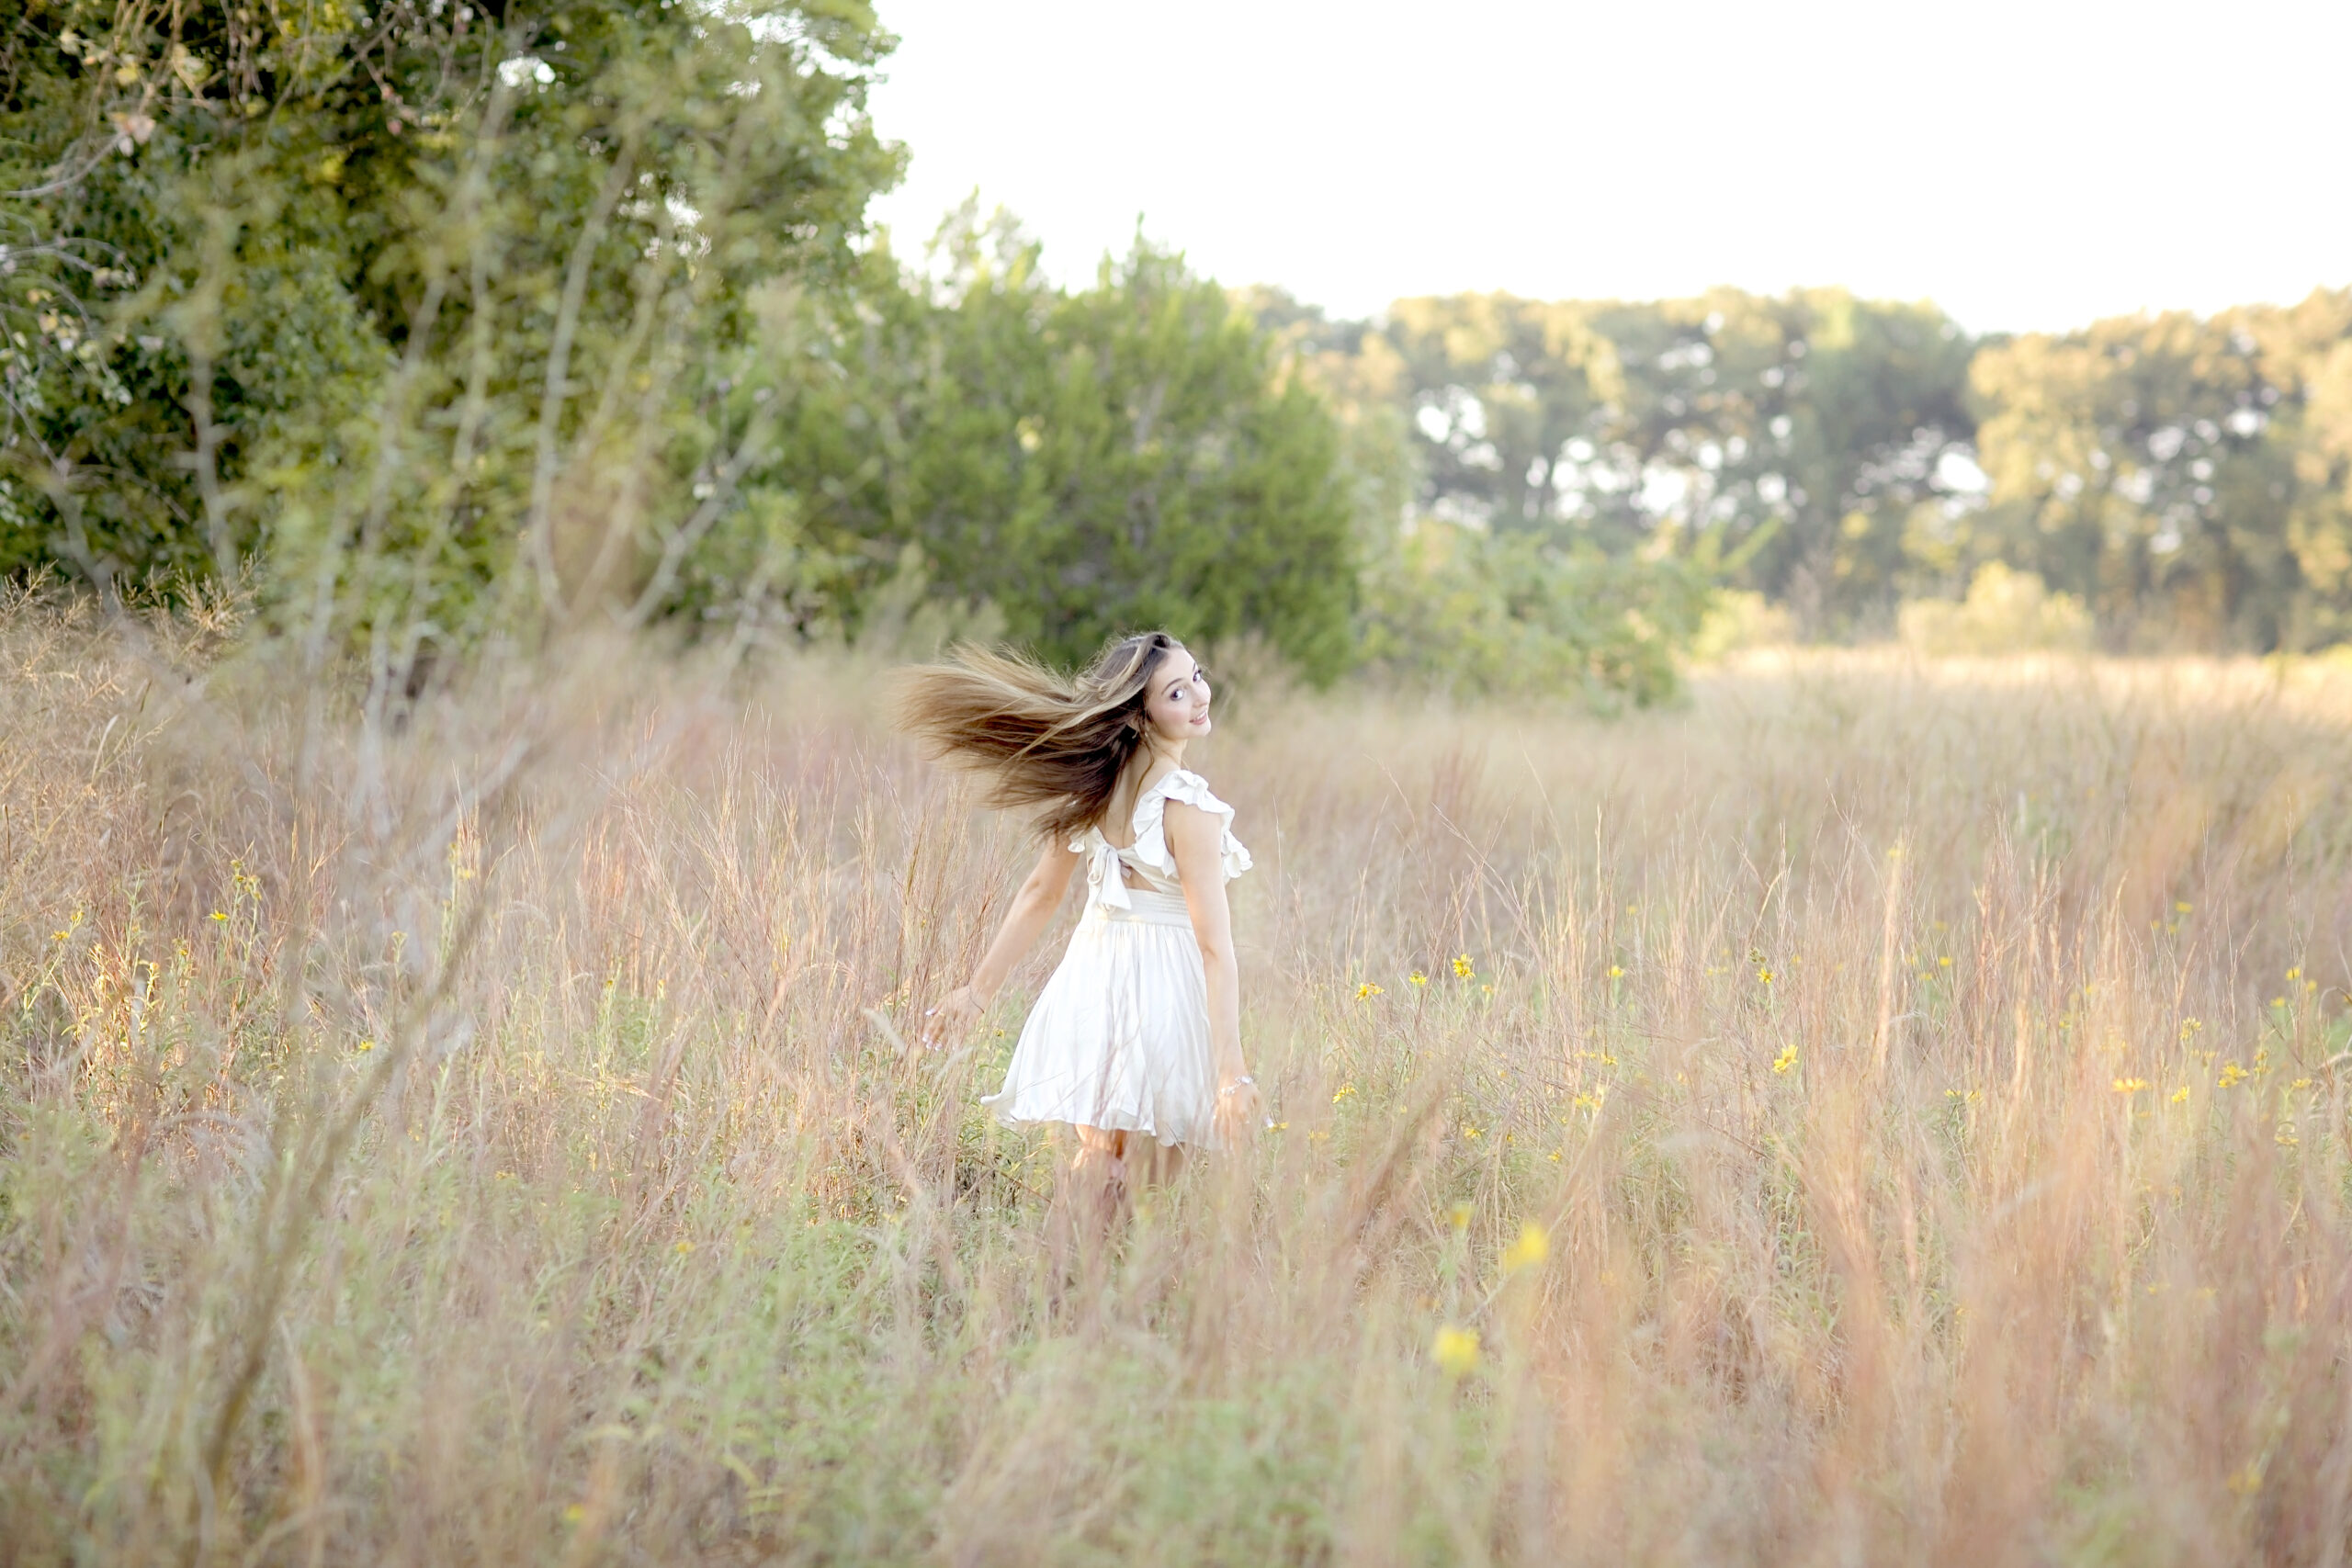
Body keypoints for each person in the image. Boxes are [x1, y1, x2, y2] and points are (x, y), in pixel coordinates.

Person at [896, 631, 1260, 1211]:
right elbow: (1214, 948)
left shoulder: (1092, 792)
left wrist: (977, 992)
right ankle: (1080, 1289)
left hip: (1089, 987)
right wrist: (1231, 1071)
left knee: (1101, 1167)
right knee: (1146, 1191)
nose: (1199, 696)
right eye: (1175, 692)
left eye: (1196, 677)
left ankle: (1060, 1283)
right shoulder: (1188, 806)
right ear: (1139, 717)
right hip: (1161, 995)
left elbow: (1040, 894)